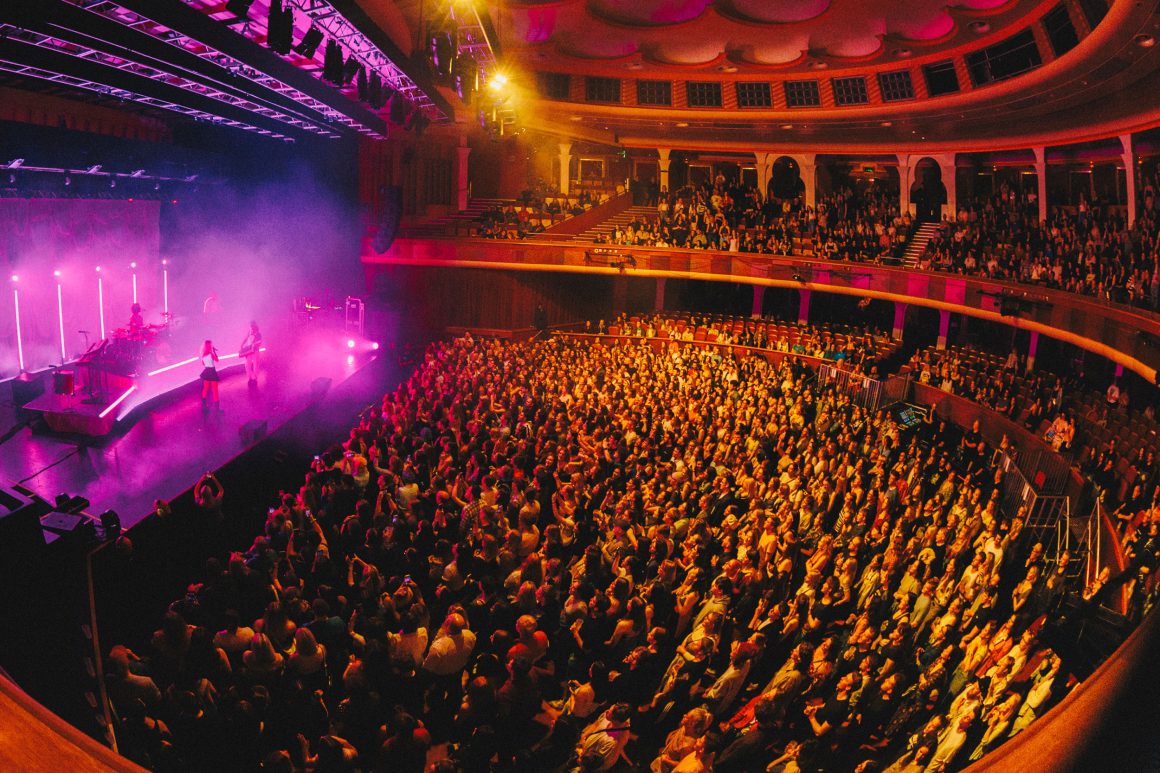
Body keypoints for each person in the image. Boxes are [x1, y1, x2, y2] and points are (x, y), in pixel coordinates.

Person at [199, 339, 220, 410]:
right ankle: (217, 408)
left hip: (206, 371)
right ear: (210, 346)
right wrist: (214, 352)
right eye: (211, 345)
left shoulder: (203, 355)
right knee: (215, 390)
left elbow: (203, 364)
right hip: (212, 371)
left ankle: (204, 405)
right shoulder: (211, 354)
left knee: (205, 389)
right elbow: (217, 360)